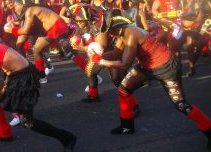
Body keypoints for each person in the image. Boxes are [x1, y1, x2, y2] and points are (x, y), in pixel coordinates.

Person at [89, 9, 210, 150]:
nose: (108, 33)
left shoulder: (130, 34)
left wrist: (101, 62)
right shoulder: (122, 32)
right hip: (148, 66)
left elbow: (124, 64)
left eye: (110, 30)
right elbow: (116, 53)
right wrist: (97, 55)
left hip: (166, 67)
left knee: (181, 105)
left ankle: (209, 130)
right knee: (123, 89)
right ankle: (127, 127)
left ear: (119, 26)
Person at [4, 0, 88, 83]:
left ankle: (91, 73)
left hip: (58, 27)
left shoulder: (30, 10)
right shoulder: (30, 10)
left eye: (15, 7)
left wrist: (11, 30)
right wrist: (14, 24)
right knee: (36, 50)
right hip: (50, 30)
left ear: (21, 4)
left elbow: (26, 30)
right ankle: (42, 77)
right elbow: (25, 25)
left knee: (69, 52)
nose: (14, 10)